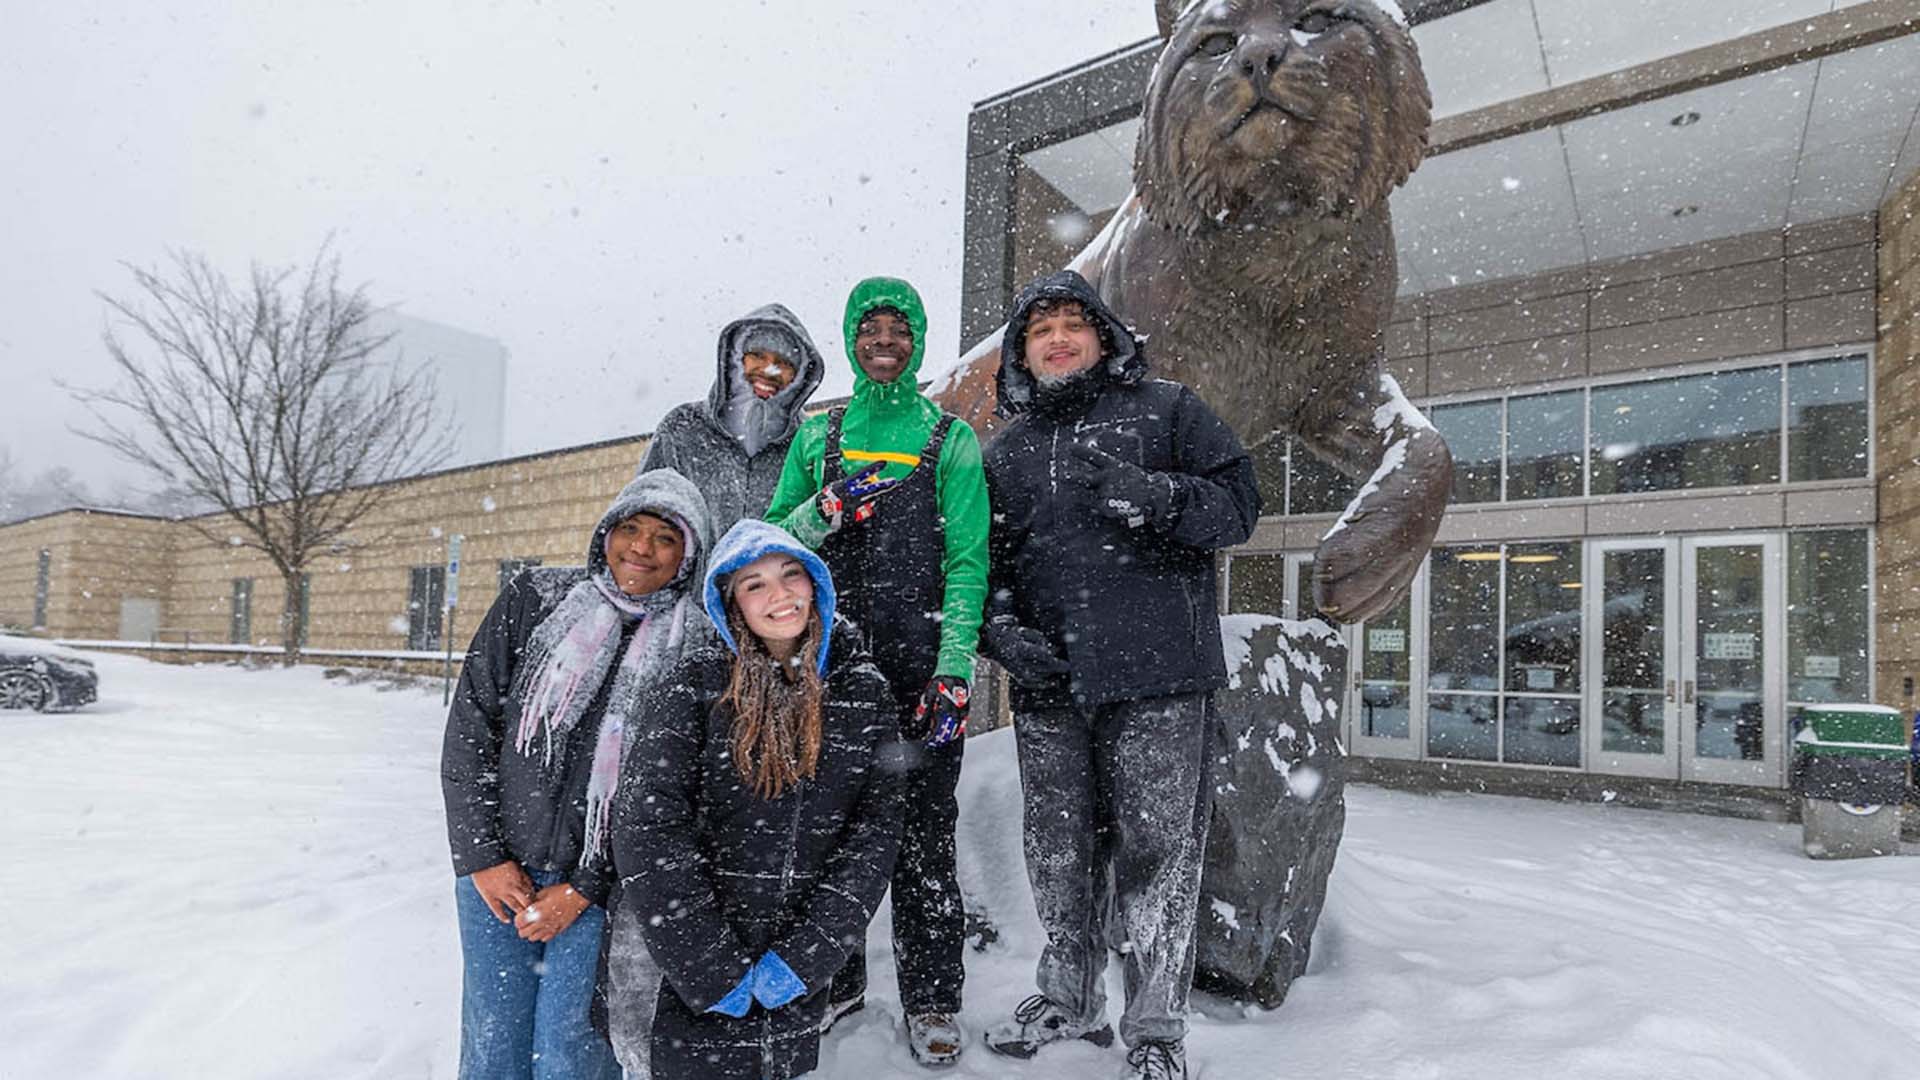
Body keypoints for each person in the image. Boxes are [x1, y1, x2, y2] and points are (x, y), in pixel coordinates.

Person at [979, 270, 1261, 1080]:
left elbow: (1239, 506)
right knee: (1057, 853)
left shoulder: (1168, 410)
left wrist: (1158, 494)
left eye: (1075, 323)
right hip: (1050, 688)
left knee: (1159, 856)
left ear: (1105, 337)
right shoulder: (1009, 451)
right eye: (1041, 330)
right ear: (1023, 353)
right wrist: (1001, 634)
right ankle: (1067, 997)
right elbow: (987, 566)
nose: (1059, 338)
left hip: (1162, 680)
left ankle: (1158, 1029)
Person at [764, 275, 989, 1066]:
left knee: (926, 844)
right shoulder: (817, 437)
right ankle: (838, 979)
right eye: (870, 329)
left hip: (920, 674)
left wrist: (954, 666)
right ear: (853, 340)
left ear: (917, 341)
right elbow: (770, 550)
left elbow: (968, 562)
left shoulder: (949, 440)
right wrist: (822, 511)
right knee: (825, 839)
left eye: (899, 329)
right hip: (825, 675)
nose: (884, 342)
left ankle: (932, 999)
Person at [440, 468, 716, 1080]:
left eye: (665, 538)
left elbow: (676, 792)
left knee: (572, 1056)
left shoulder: (697, 648)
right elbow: (471, 729)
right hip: (497, 878)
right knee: (493, 1048)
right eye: (631, 528)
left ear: (689, 554)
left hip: (606, 891)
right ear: (605, 533)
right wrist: (484, 856)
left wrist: (587, 886)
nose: (641, 549)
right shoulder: (535, 600)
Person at [608, 518, 906, 1080]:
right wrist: (707, 961)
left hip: (791, 975)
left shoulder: (863, 692)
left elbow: (874, 834)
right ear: (730, 602)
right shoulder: (692, 685)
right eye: (756, 584)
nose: (780, 595)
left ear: (816, 582)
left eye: (791, 575)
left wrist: (807, 956)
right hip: (685, 974)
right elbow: (647, 829)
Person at [639, 303, 826, 533]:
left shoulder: (810, 441)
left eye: (784, 363)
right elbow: (644, 514)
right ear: (735, 358)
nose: (770, 371)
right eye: (757, 355)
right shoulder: (683, 427)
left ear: (799, 376)